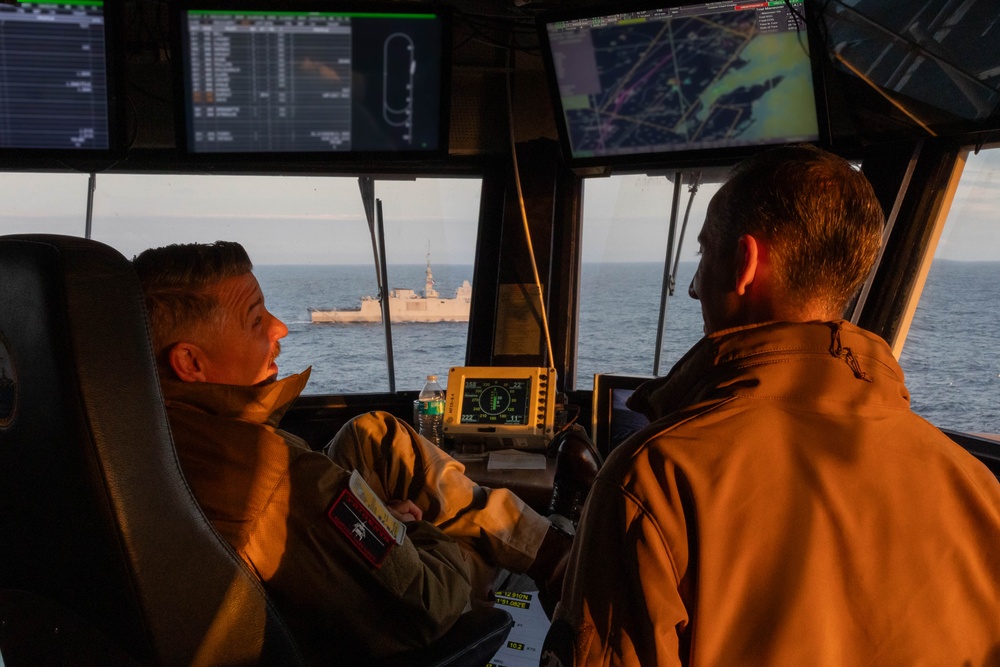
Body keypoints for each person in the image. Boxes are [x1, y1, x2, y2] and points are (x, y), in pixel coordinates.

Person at [542, 144, 1000, 666]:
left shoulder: (653, 477)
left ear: (745, 263)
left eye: (704, 253)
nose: (693, 287)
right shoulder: (978, 489)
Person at [131, 241, 574, 665]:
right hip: (391, 614)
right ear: (190, 362)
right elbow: (427, 605)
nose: (280, 327)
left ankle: (547, 546)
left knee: (373, 434)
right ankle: (559, 557)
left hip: (297, 558)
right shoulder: (280, 479)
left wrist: (374, 516)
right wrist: (404, 531)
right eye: (255, 319)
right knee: (482, 549)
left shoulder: (145, 423)